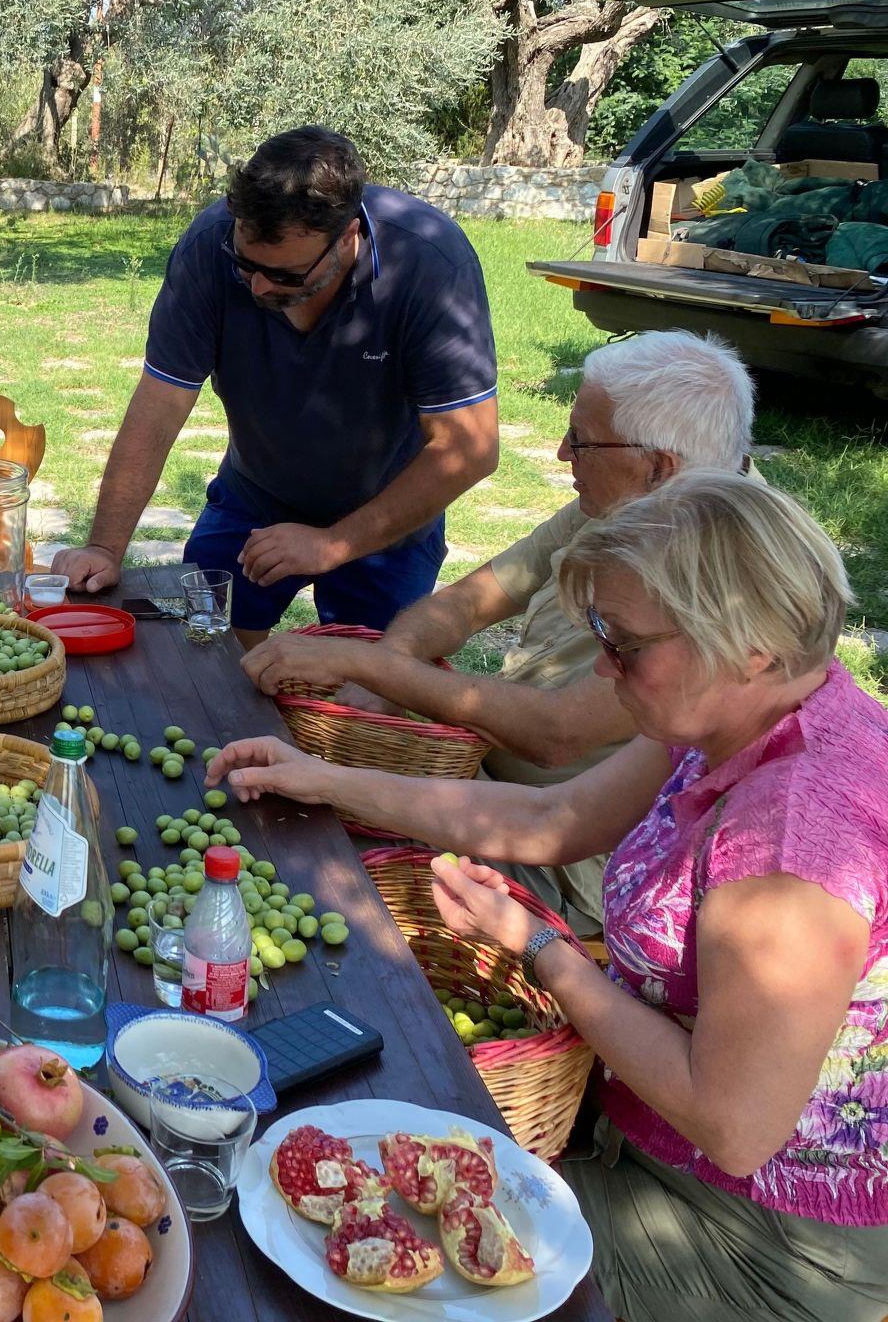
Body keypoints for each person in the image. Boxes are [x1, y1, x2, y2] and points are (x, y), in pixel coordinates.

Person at [207, 472, 888, 1322]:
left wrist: (539, 950)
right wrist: (324, 779)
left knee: (339, 1264)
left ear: (749, 645)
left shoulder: (788, 849)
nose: (603, 665)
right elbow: (554, 817)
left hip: (750, 1232)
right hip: (637, 1136)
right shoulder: (741, 711)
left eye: (625, 644)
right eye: (602, 633)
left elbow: (735, 1127)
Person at [240, 329, 758, 934]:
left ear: (659, 467)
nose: (561, 453)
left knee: (305, 862)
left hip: (572, 863)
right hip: (498, 793)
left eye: (581, 441)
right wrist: (391, 665)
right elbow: (466, 603)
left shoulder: (730, 582)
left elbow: (556, 737)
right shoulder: (639, 501)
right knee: (275, 804)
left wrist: (370, 666)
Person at [50, 125, 499, 643]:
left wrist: (333, 543)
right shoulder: (208, 246)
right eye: (246, 266)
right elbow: (158, 406)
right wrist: (104, 548)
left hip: (388, 511)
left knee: (371, 677)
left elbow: (470, 448)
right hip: (255, 495)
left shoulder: (430, 263)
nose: (260, 286)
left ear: (348, 237)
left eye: (285, 276)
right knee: (207, 650)